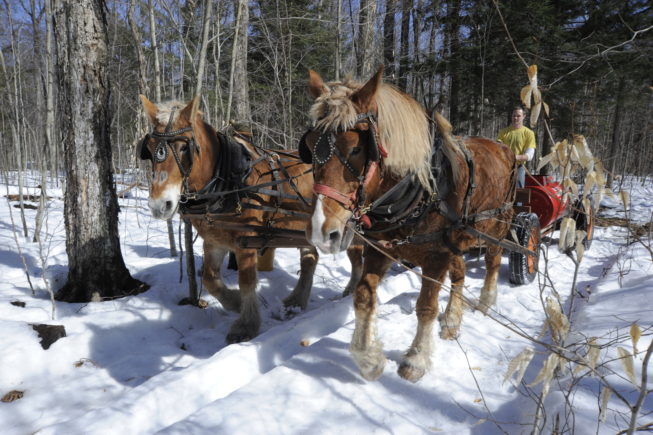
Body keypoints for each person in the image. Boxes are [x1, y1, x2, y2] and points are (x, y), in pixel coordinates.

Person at [497, 106, 536, 188]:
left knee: (518, 195)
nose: (515, 118)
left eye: (518, 116)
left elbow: (529, 156)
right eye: (514, 115)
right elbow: (497, 149)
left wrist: (514, 157)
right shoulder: (503, 132)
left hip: (519, 167)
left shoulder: (529, 133)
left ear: (524, 116)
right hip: (503, 167)